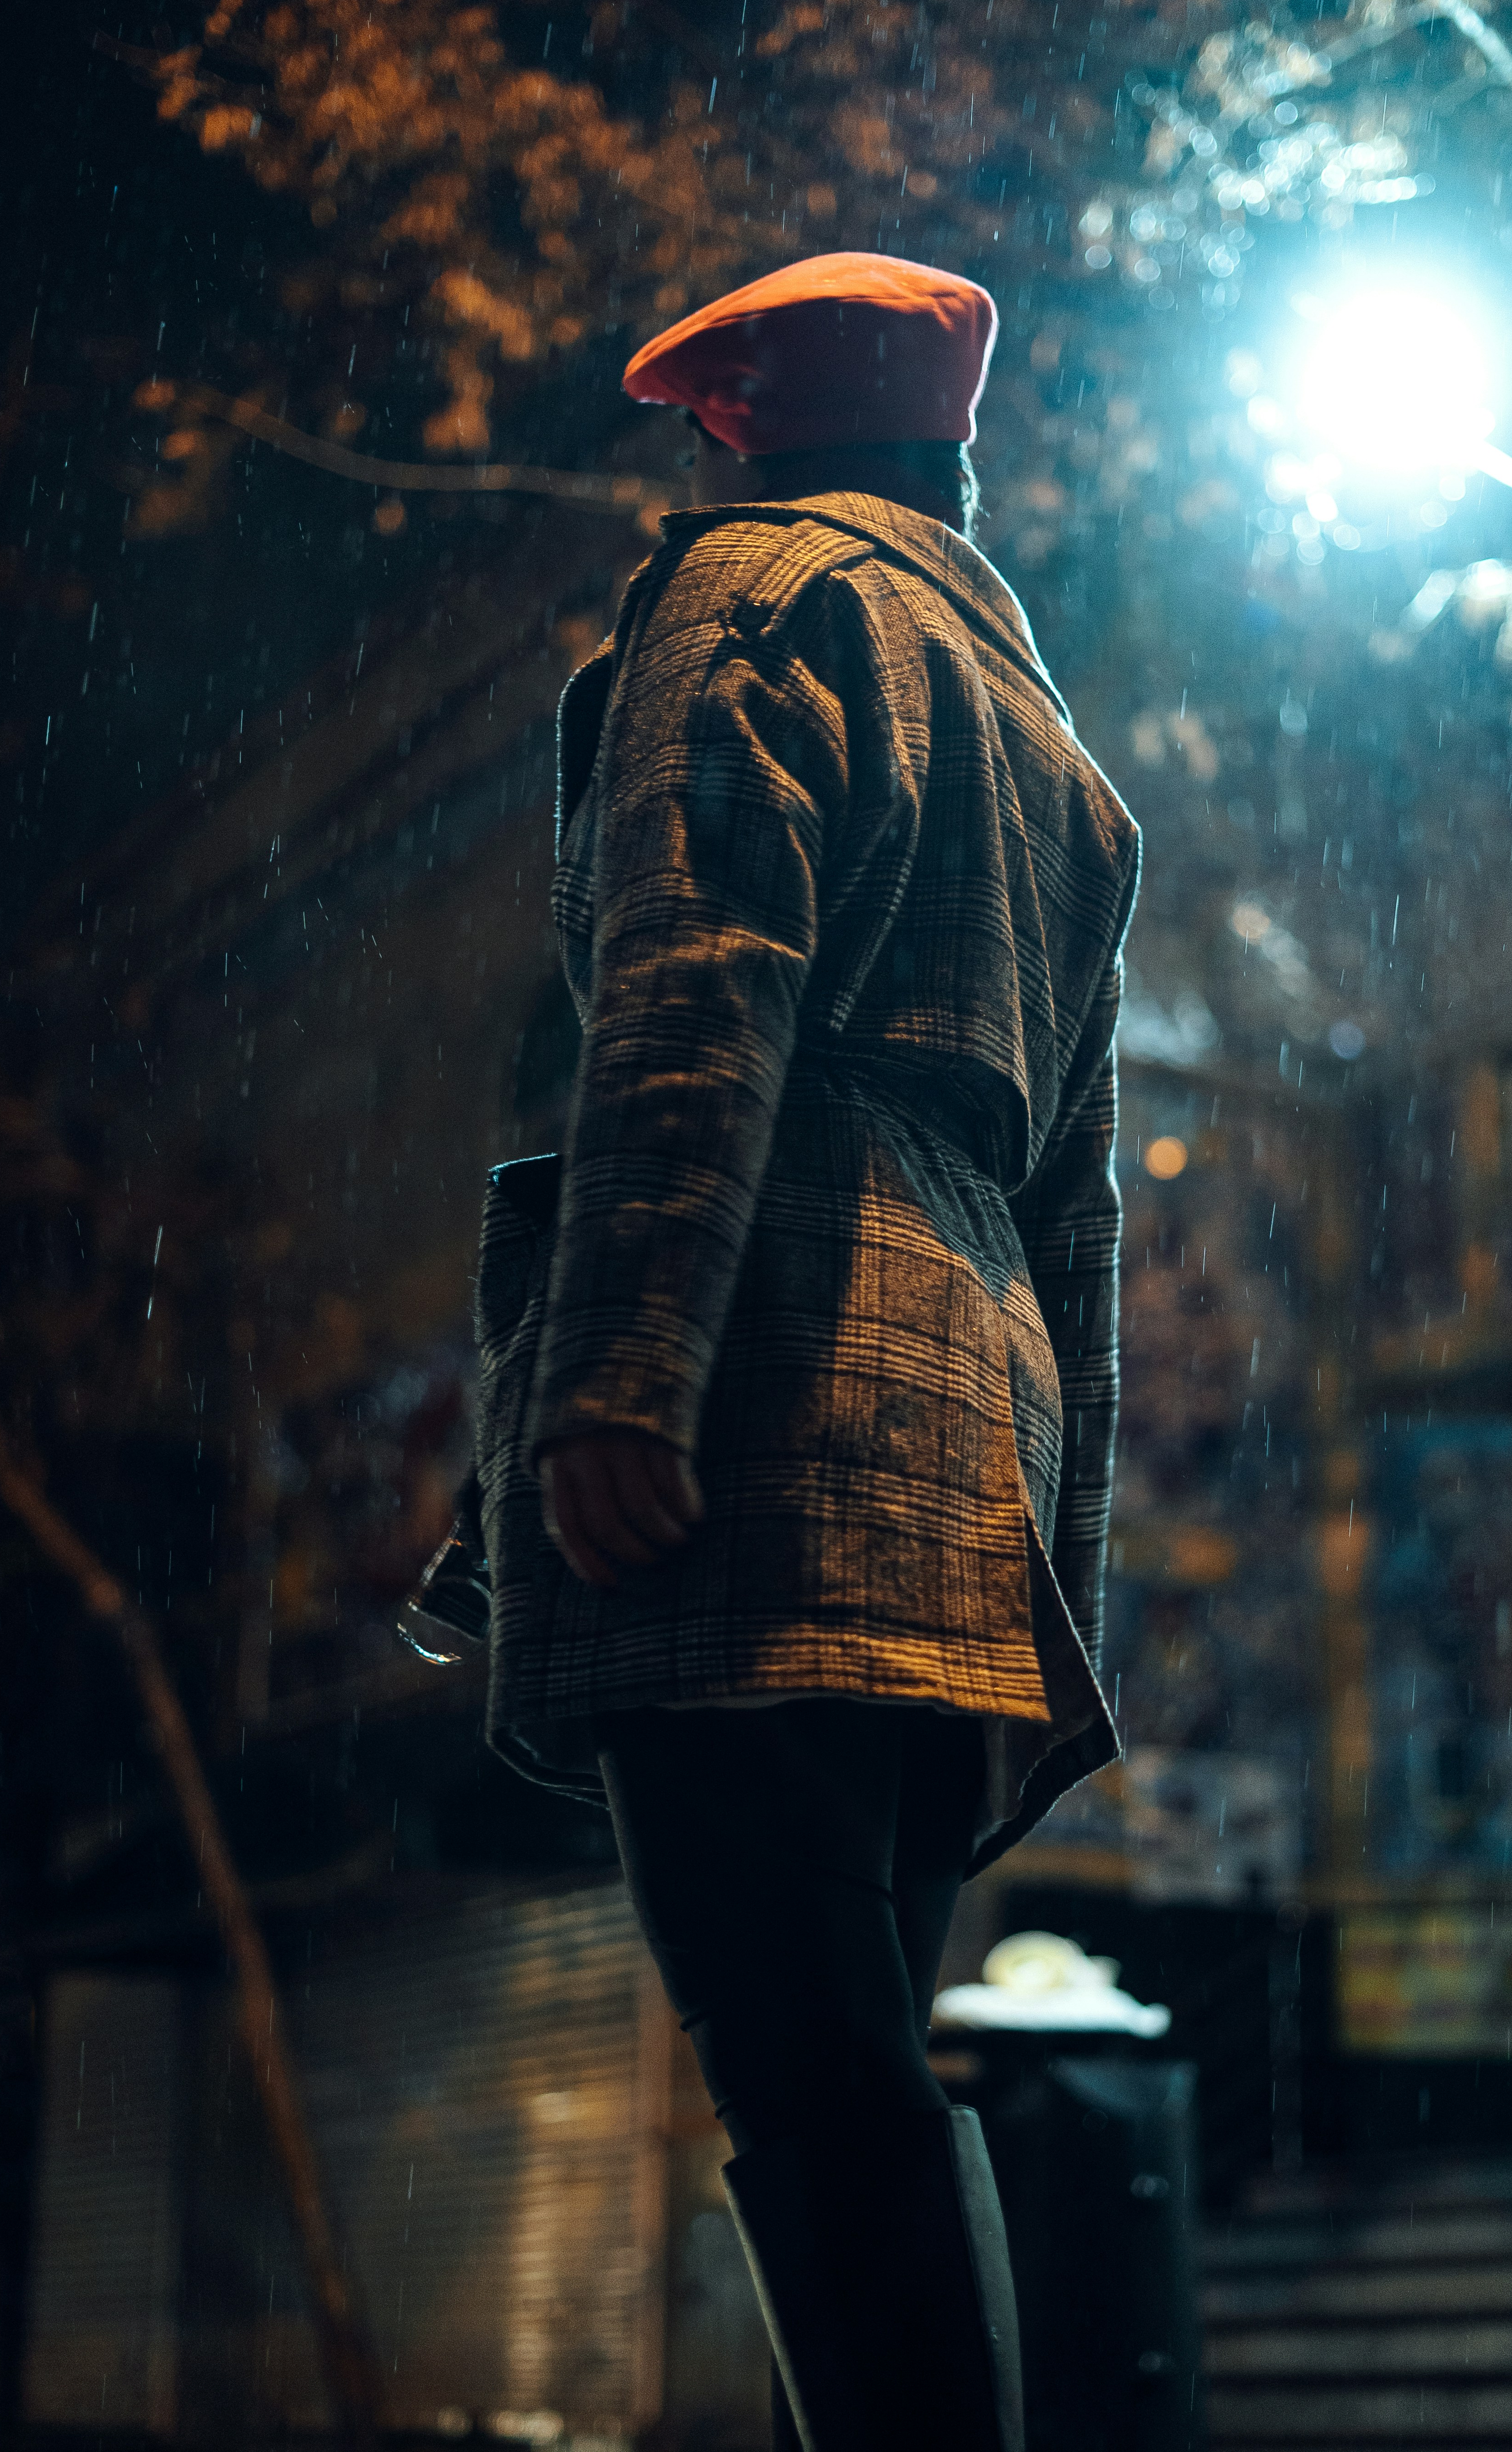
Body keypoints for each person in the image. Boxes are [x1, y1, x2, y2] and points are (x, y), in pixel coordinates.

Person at [492, 253, 1140, 2451]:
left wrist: (619, 1365)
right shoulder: (1050, 743)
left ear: (741, 431)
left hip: (777, 1381)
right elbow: (1087, 1212)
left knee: (810, 2072)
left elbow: (695, 978)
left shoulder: (747, 597)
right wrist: (1070, 1557)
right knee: (856, 2055)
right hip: (969, 1453)